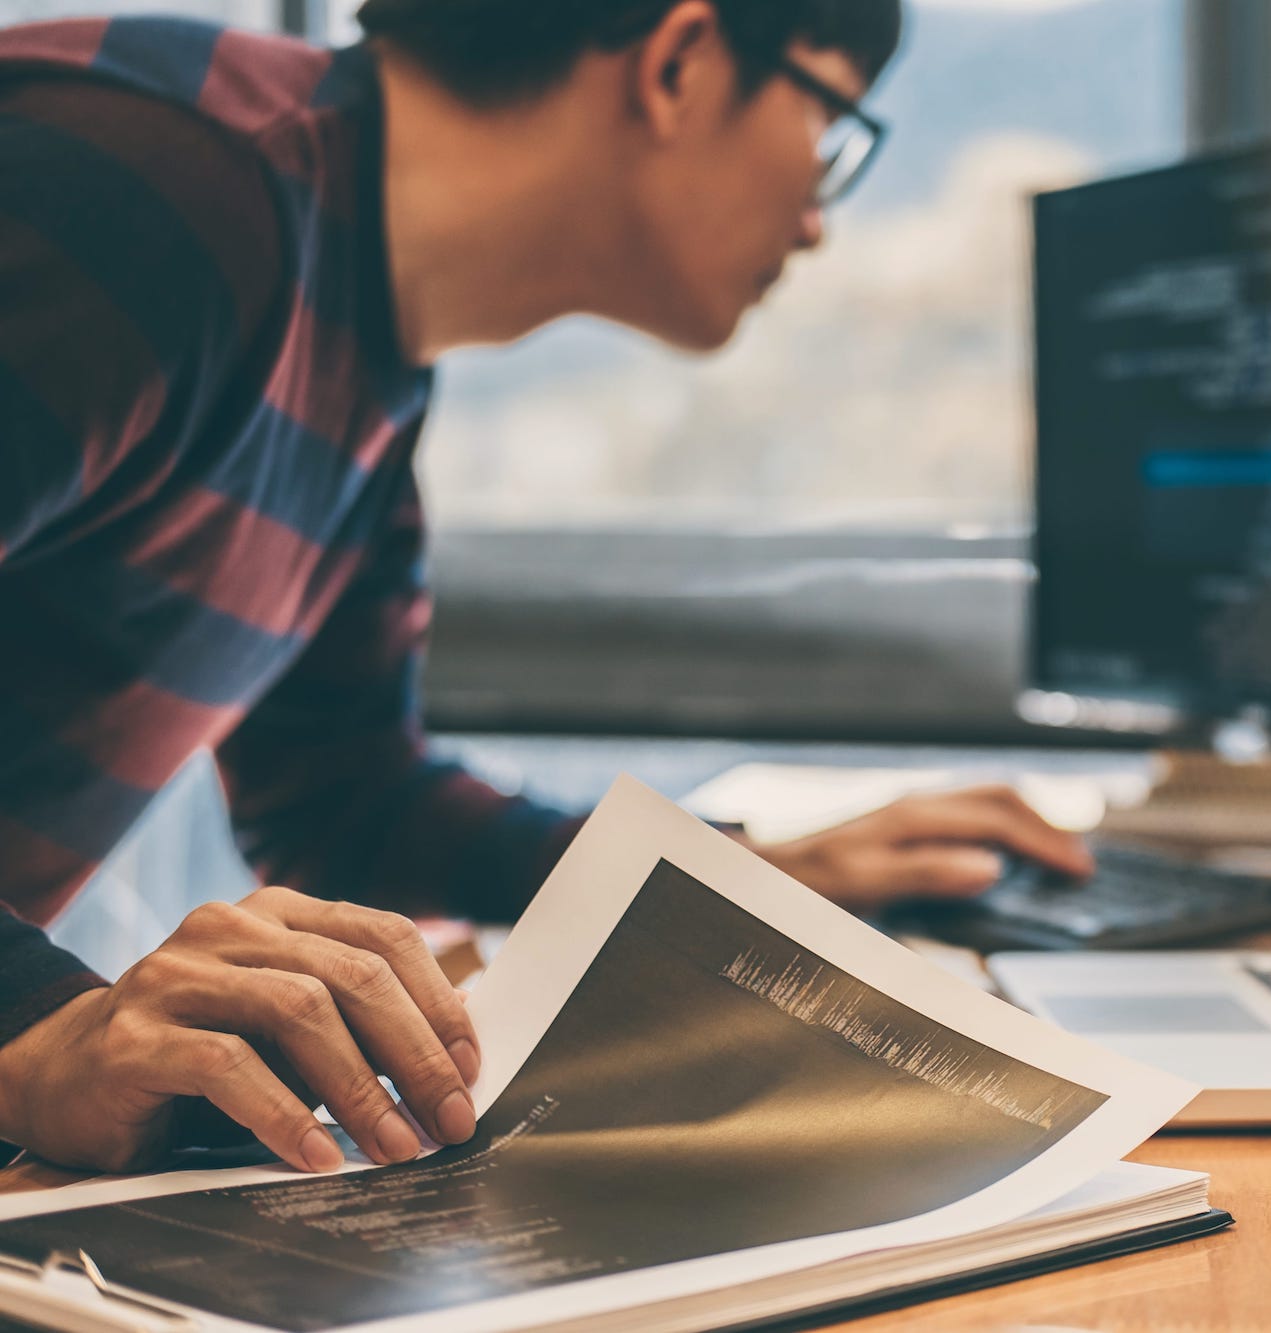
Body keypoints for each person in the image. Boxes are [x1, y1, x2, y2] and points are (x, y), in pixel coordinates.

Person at [0, 0, 1092, 1176]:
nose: (822, 220)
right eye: (832, 123)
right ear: (678, 61)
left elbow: (346, 803)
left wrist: (724, 883)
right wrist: (41, 1034)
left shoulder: (361, 343)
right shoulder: (139, 187)